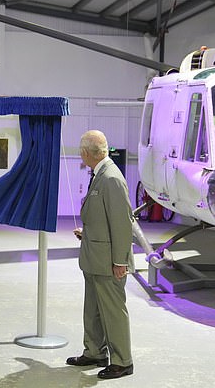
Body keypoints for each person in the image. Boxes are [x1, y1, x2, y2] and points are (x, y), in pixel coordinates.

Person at [66, 130, 135, 379]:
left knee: (113, 311)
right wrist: (88, 232)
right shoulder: (100, 175)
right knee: (93, 309)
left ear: (86, 152)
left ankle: (122, 361)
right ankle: (95, 352)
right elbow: (105, 218)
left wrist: (120, 261)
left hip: (108, 263)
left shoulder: (111, 178)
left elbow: (122, 223)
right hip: (95, 258)